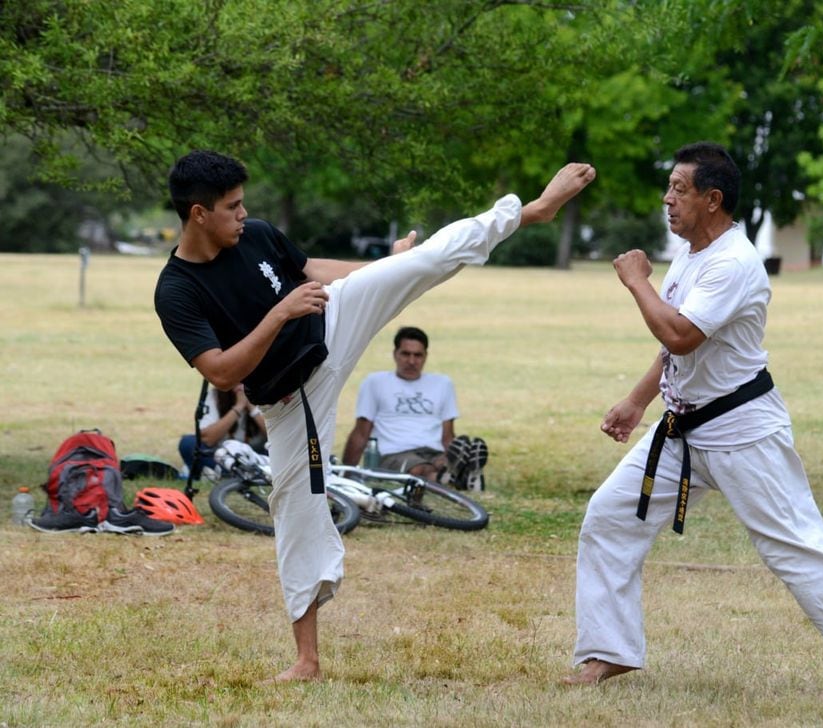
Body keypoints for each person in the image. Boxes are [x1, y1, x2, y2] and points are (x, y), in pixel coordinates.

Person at [154, 149, 595, 682]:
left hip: (331, 321)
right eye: (232, 207)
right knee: (295, 512)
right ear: (198, 213)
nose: (244, 215)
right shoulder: (176, 290)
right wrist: (279, 313)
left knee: (424, 259)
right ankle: (307, 661)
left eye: (243, 204)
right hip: (291, 395)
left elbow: (311, 271)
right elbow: (222, 372)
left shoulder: (257, 234)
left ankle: (532, 210)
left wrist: (384, 264)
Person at [561, 142, 823, 699]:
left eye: (680, 189)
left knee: (792, 542)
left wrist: (636, 281)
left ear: (713, 199)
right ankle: (610, 650)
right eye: (670, 187)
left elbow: (680, 332)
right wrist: (637, 402)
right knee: (609, 517)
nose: (667, 199)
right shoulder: (694, 254)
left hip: (742, 429)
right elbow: (676, 349)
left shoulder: (735, 261)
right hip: (682, 428)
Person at [341, 326, 489, 489]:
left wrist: (452, 453)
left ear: (426, 356)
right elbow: (361, 432)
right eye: (406, 354)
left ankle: (454, 472)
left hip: (433, 450)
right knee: (420, 470)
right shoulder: (375, 382)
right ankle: (459, 478)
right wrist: (347, 472)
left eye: (418, 355)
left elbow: (448, 436)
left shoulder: (442, 384)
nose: (411, 361)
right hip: (395, 453)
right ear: (395, 354)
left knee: (440, 462)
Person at [178, 383, 267, 476]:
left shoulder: (265, 393)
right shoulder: (216, 395)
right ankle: (236, 473)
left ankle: (220, 473)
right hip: (221, 455)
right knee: (188, 443)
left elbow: (274, 436)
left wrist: (252, 408)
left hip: (255, 455)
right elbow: (207, 439)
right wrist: (238, 407)